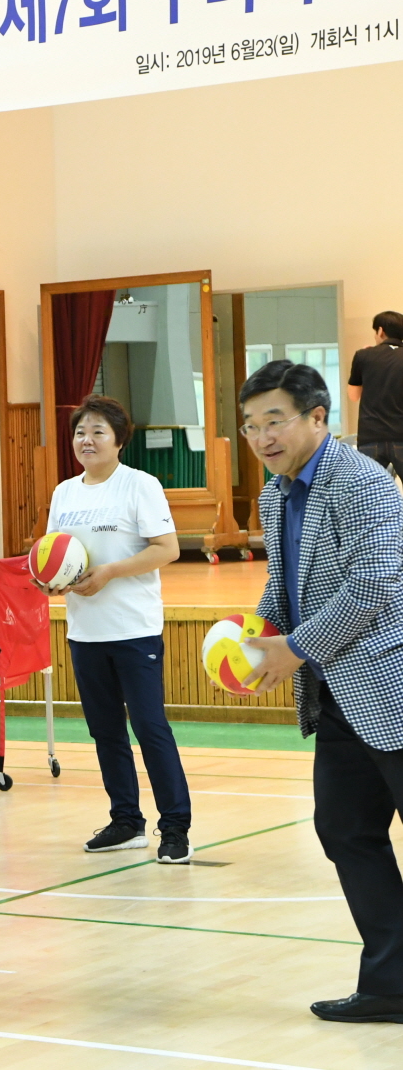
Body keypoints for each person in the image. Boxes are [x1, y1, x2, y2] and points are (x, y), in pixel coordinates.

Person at [239, 360, 403, 1026]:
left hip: (390, 687)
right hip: (334, 694)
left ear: (317, 416)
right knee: (344, 829)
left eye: (274, 420)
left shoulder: (365, 483)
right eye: (250, 425)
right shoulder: (274, 496)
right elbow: (282, 590)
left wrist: (295, 648)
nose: (261, 437)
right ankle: (392, 985)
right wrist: (252, 633)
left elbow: (373, 589)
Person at [37, 395, 189, 863]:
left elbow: (167, 549)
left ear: (120, 440)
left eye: (99, 431)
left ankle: (175, 827)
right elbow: (52, 552)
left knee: (149, 728)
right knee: (105, 732)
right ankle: (126, 822)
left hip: (133, 629)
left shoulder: (139, 485)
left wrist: (109, 573)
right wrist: (47, 579)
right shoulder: (65, 493)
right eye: (81, 432)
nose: (87, 439)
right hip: (85, 633)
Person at [347, 309, 403, 476]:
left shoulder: (363, 356)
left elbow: (354, 395)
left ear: (380, 330)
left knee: (367, 493)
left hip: (371, 436)